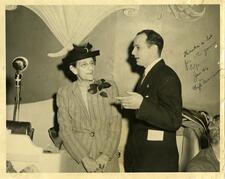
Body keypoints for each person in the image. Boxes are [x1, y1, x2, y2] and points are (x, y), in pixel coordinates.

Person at [116, 29, 182, 172]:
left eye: (138, 47)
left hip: (156, 163)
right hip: (142, 159)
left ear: (153, 49)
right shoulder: (149, 74)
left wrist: (141, 105)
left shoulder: (167, 76)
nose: (133, 52)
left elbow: (174, 120)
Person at [56, 43, 122, 172]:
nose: (90, 68)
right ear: (74, 69)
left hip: (106, 159)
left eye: (92, 63)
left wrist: (105, 155)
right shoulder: (64, 92)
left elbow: (115, 125)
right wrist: (84, 159)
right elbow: (65, 131)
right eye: (84, 65)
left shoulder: (110, 87)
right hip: (77, 160)